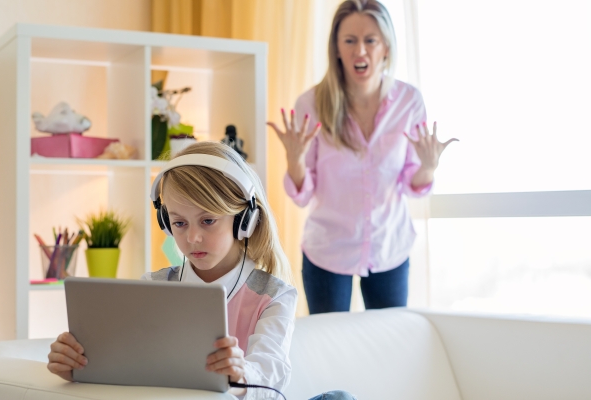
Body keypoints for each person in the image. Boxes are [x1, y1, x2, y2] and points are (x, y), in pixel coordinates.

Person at [46, 141, 356, 400]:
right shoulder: (153, 287)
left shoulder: (273, 296)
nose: (192, 237)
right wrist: (77, 366)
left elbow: (272, 382)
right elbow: (131, 372)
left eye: (208, 221)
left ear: (243, 221)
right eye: (179, 223)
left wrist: (240, 372)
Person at [267, 0, 458, 314]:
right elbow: (304, 195)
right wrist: (295, 159)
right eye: (350, 41)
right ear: (337, 49)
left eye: (371, 40)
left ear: (386, 46)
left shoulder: (409, 101)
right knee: (330, 346)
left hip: (389, 246)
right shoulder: (311, 104)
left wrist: (427, 167)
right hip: (327, 249)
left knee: (388, 341)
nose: (361, 51)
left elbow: (411, 184)